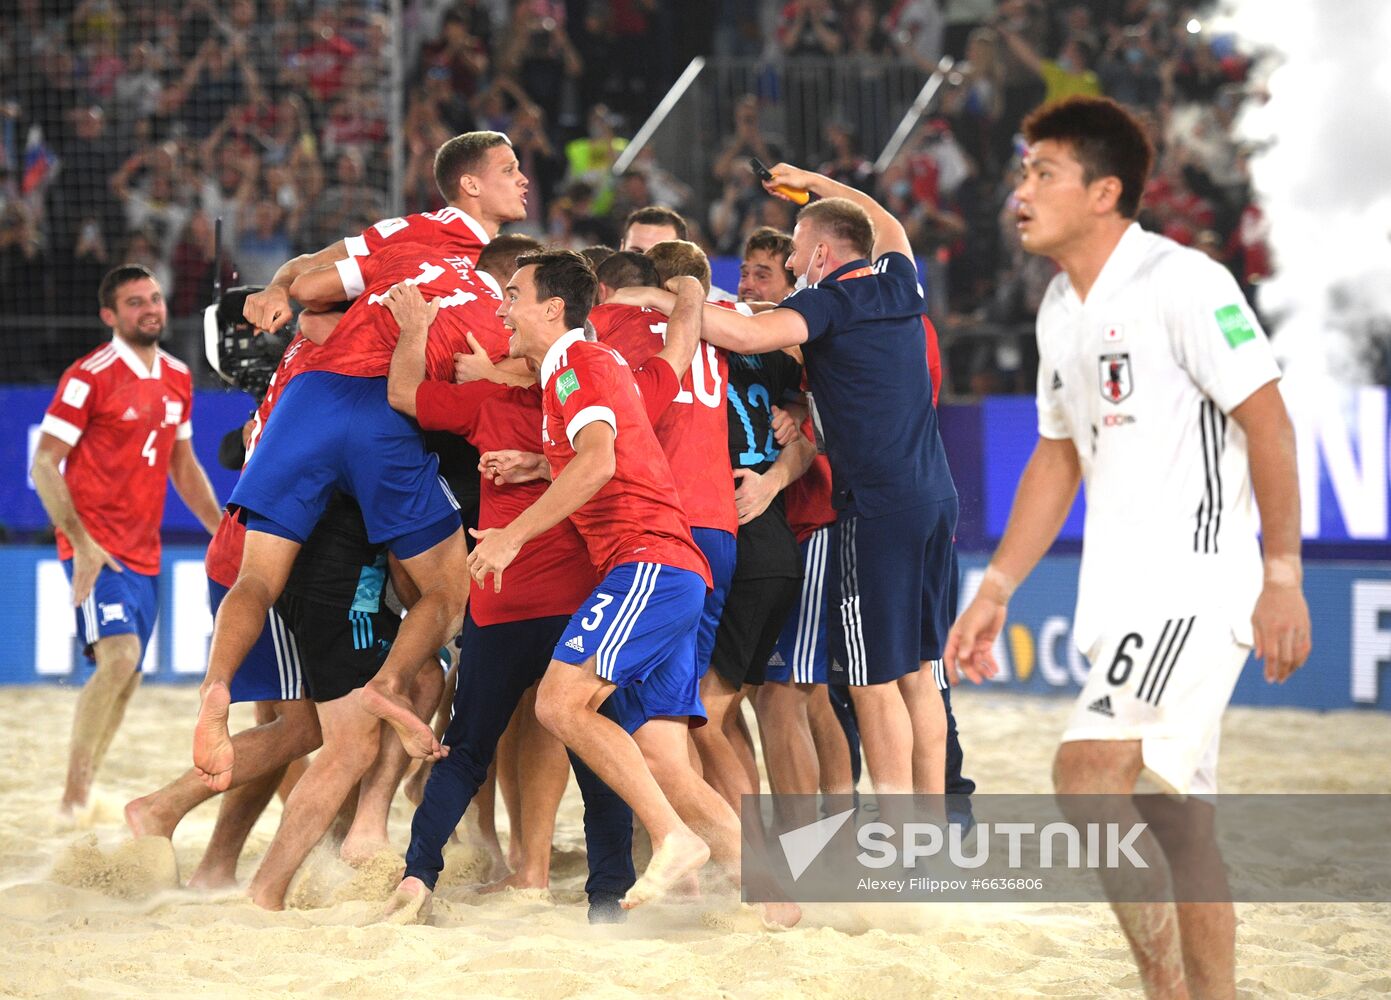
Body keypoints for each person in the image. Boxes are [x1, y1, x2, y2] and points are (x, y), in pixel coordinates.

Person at [945, 96, 1312, 1000]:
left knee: (1085, 773)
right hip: (1124, 594)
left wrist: (1282, 576)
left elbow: (1267, 424)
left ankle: (1165, 990)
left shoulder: (1182, 282)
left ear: (1105, 191)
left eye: (1042, 174)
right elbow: (1057, 454)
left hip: (1198, 581)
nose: (1019, 191)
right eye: (1021, 172)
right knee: (1177, 819)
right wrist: (995, 588)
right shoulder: (1060, 308)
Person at [460, 250, 798, 925]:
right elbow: (672, 358)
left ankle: (672, 836)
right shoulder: (604, 364)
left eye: (512, 294)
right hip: (677, 568)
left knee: (558, 705)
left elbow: (597, 461)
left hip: (647, 562)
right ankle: (776, 902)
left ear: (552, 309)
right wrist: (692, 293)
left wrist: (510, 535)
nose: (500, 307)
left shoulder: (575, 365)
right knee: (661, 755)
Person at [611, 170, 962, 797]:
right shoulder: (899, 283)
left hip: (873, 510)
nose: (795, 264)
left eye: (798, 252)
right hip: (935, 498)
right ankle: (929, 830)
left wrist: (670, 299)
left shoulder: (826, 302)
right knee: (921, 676)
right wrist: (813, 183)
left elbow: (745, 334)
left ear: (823, 254)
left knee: (871, 682)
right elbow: (890, 224)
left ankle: (898, 842)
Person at [190, 242, 511, 800]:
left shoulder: (394, 262)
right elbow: (498, 385)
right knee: (442, 597)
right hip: (380, 420)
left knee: (258, 585)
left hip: (307, 403)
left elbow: (310, 308)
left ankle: (215, 686)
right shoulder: (488, 308)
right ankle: (389, 687)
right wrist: (447, 350)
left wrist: (279, 291)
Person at [32, 264, 222, 816]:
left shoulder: (178, 376)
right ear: (110, 316)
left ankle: (82, 790)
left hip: (145, 551)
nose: (151, 309)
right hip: (96, 548)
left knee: (129, 676)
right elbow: (45, 464)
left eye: (156, 298)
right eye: (136, 302)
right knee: (120, 659)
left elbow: (182, 465)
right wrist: (81, 542)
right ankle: (71, 800)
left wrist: (219, 528)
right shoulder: (89, 375)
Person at [241, 130, 529, 336]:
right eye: (509, 170)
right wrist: (276, 290)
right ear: (471, 185)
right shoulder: (425, 231)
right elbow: (309, 265)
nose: (523, 179)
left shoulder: (498, 255)